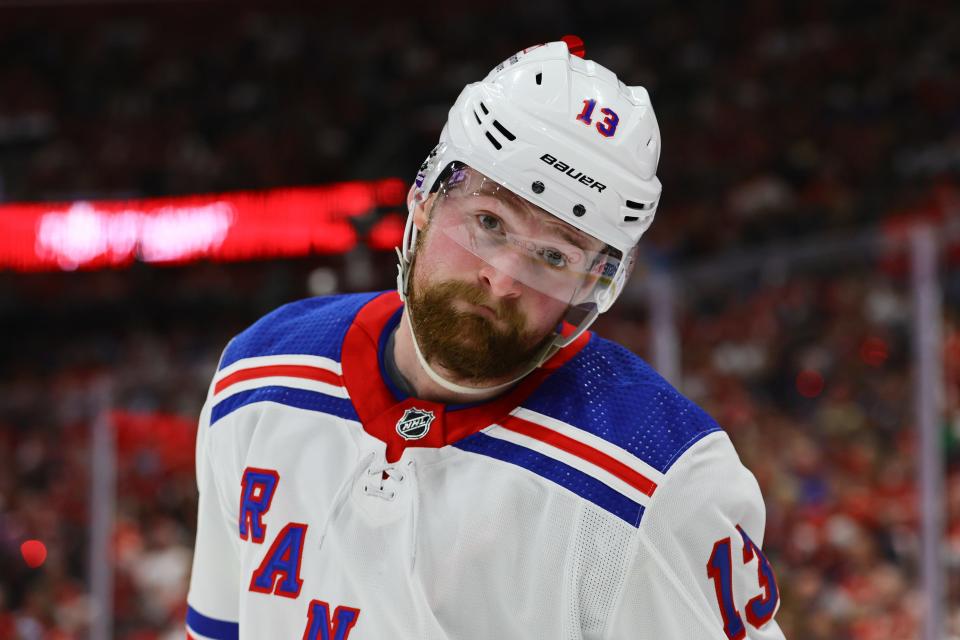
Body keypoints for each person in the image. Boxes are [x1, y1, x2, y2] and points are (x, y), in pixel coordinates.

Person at [186, 38, 785, 639]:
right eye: (488, 223)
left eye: (553, 255)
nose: (500, 280)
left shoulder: (660, 477)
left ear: (593, 287)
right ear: (425, 199)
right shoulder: (259, 376)